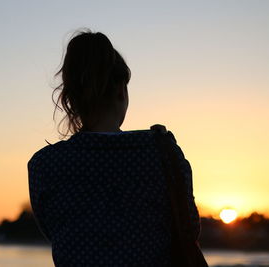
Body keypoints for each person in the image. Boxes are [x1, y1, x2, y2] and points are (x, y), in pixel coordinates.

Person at [27, 29, 201, 267]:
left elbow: (56, 232)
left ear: (71, 97)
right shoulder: (162, 154)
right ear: (121, 89)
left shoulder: (45, 165)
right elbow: (188, 228)